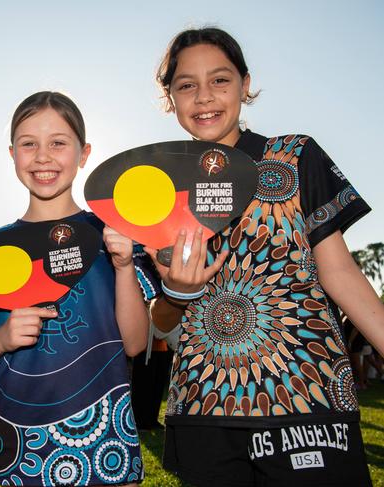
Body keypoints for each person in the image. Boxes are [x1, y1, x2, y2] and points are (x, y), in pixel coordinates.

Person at [147, 26, 384, 487]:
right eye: (186, 85)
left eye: (220, 80)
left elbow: (339, 273)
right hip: (205, 406)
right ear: (170, 98)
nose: (204, 97)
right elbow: (161, 323)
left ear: (245, 83)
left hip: (307, 394)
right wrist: (177, 292)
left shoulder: (293, 157)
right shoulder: (160, 191)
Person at [0, 91, 157, 486]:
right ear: (12, 154)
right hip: (16, 445)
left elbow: (135, 343)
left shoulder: (112, 234)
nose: (43, 156)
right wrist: (1, 340)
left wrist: (124, 266)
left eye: (58, 143)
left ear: (84, 153)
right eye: (29, 144)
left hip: (102, 441)